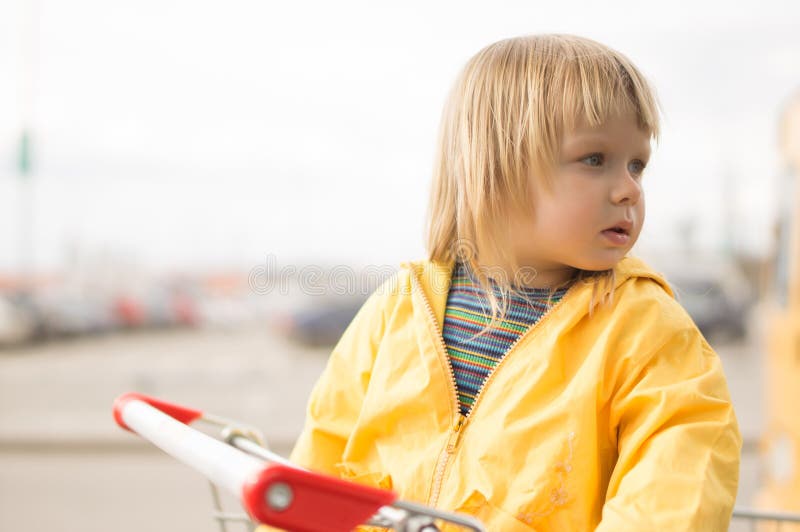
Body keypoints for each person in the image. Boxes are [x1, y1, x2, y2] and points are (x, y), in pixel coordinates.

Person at [289, 34, 741, 531]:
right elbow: (319, 461)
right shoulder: (395, 310)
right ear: (495, 166)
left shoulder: (646, 329)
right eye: (595, 159)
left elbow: (677, 485)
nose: (630, 188)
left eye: (637, 164)